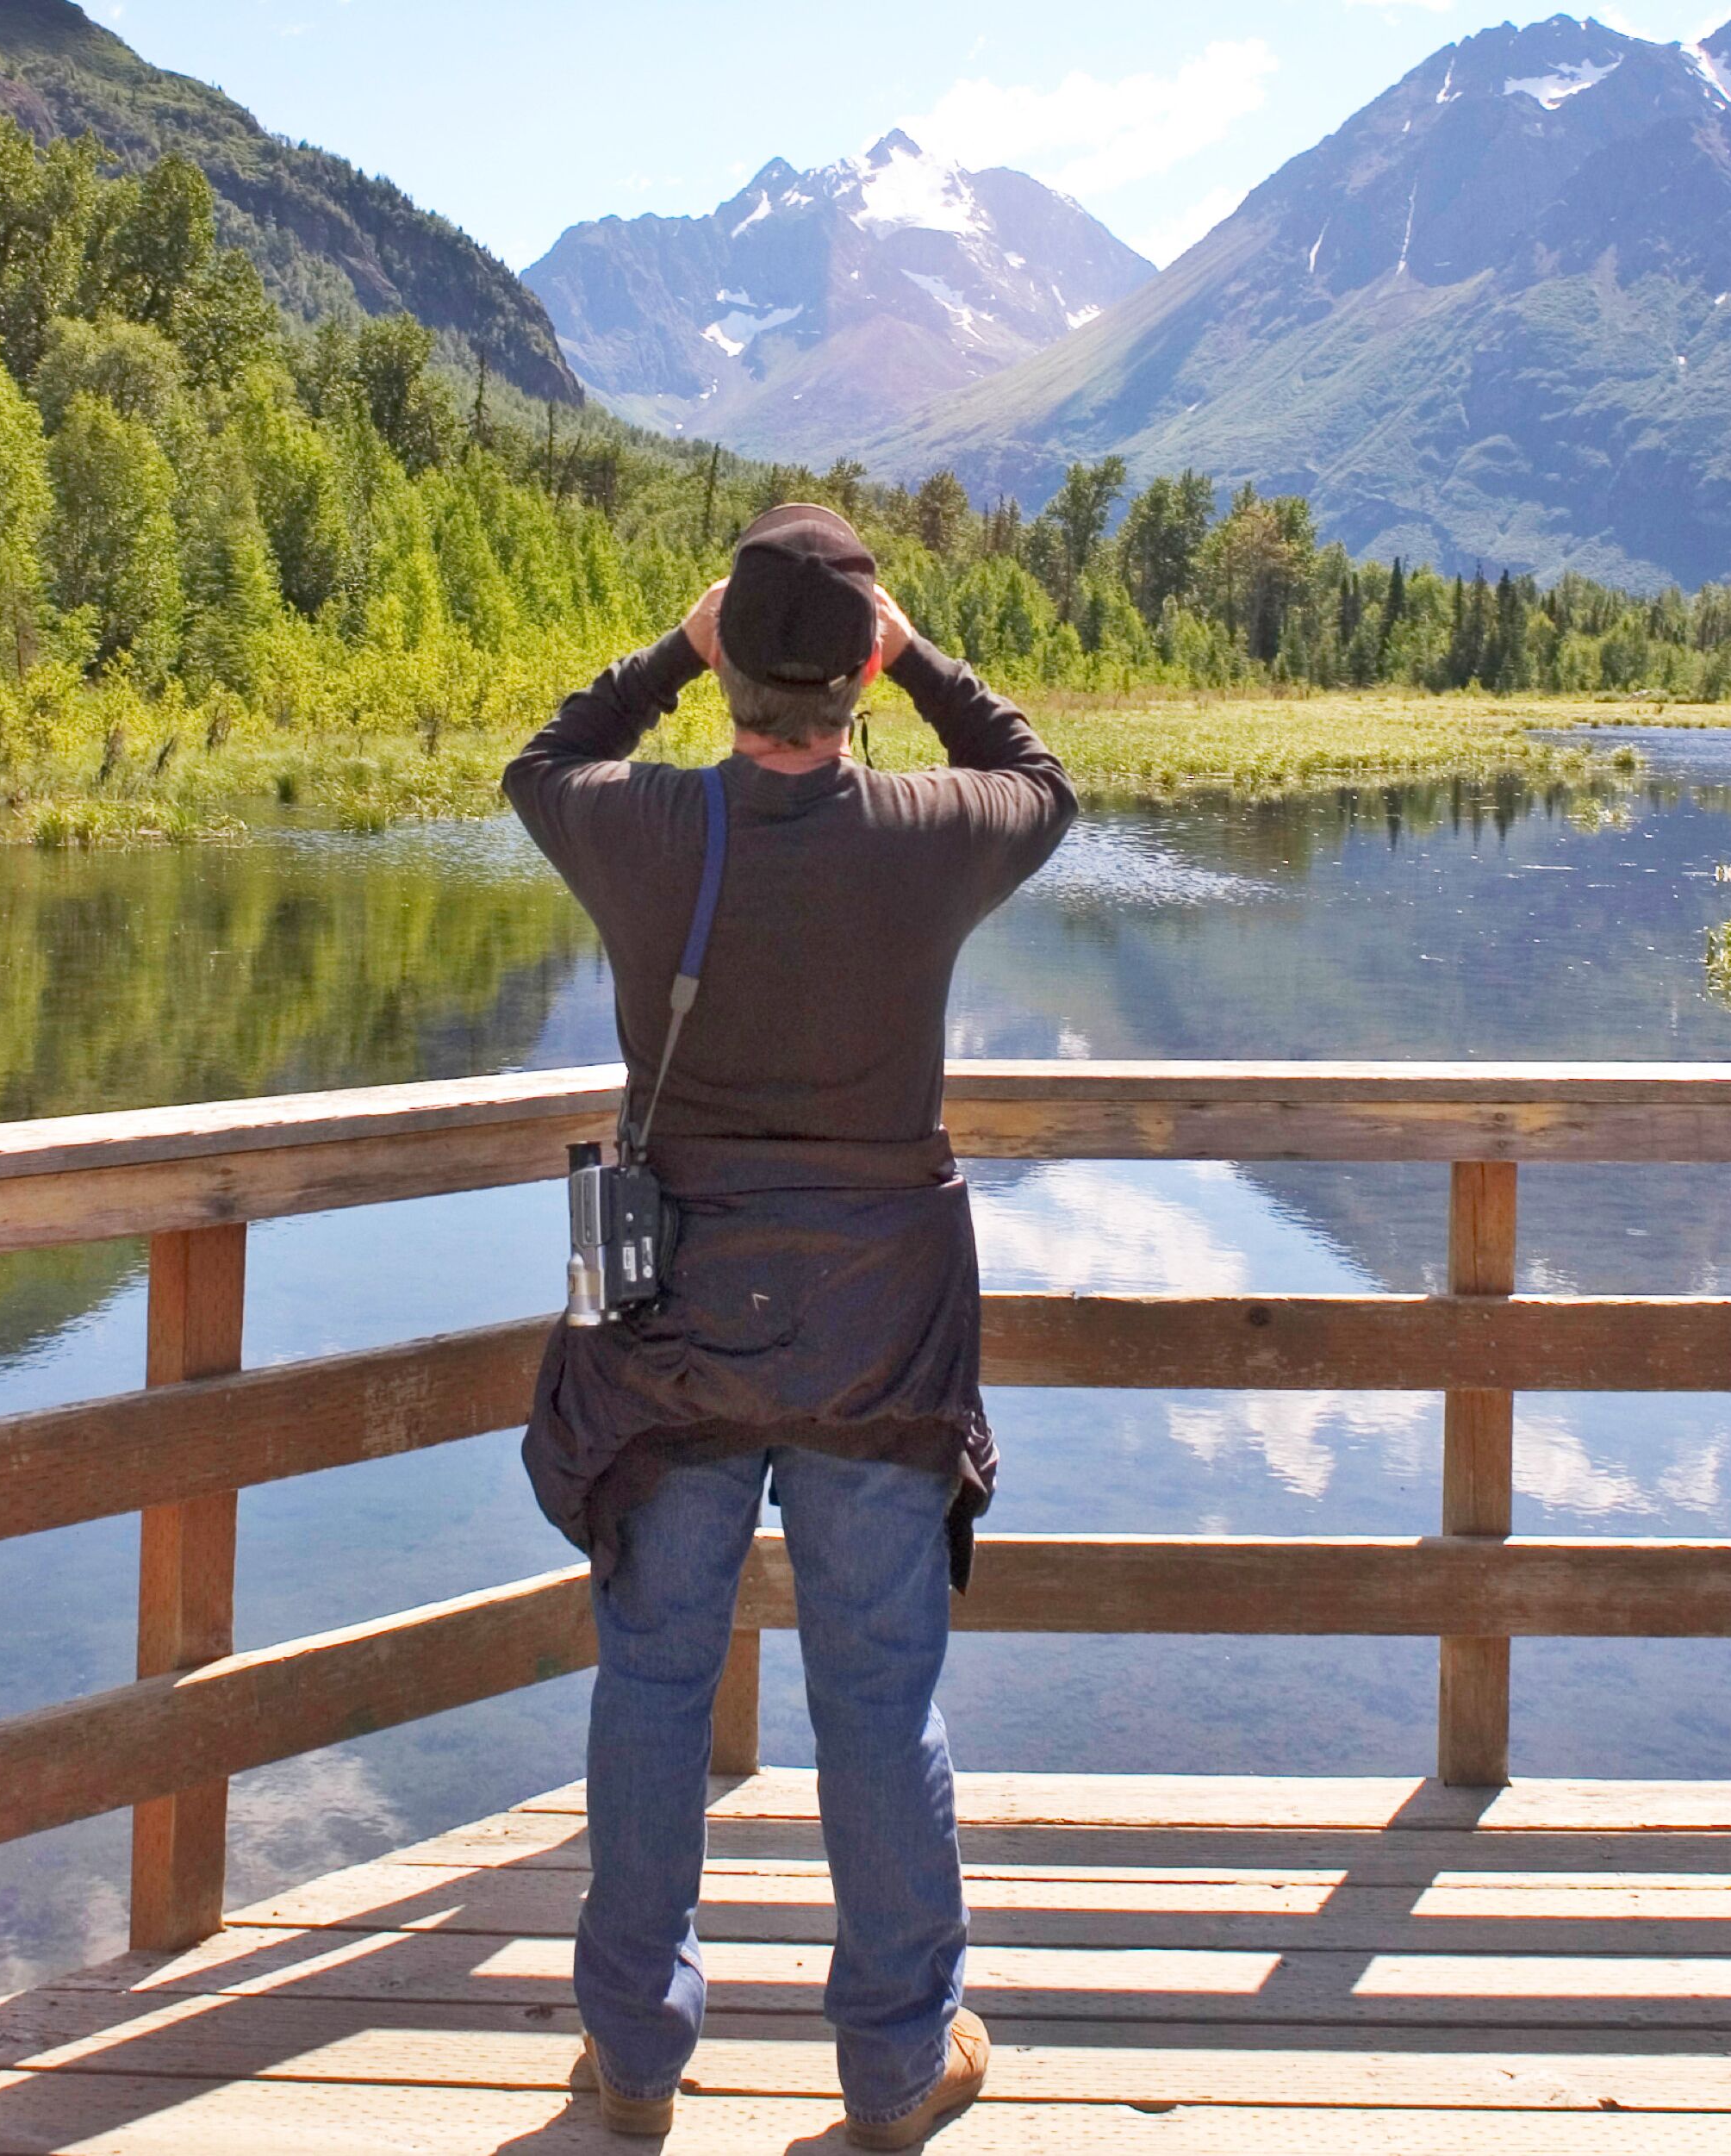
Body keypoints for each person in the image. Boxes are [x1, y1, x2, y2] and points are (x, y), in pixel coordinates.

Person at [502, 502, 1075, 2147]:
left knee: (652, 1684)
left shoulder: (645, 829)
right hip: (876, 1340)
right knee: (880, 1697)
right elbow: (1043, 779)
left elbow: (542, 760)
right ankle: (897, 2064)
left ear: (734, 667)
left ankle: (633, 2053)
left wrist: (666, 654)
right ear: (863, 682)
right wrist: (926, 654)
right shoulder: (925, 832)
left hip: (667, 1333)